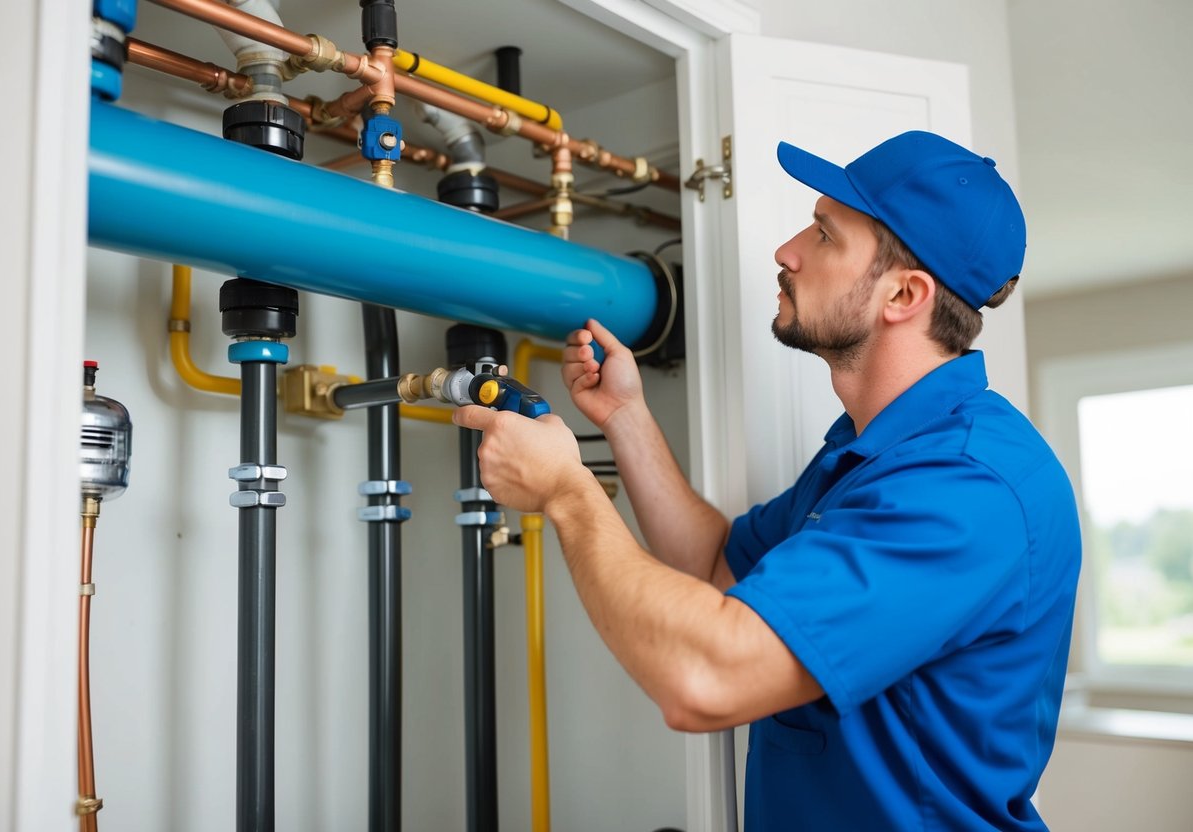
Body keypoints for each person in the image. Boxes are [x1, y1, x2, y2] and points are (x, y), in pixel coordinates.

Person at [452, 131, 1081, 831]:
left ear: (903, 294)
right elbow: (714, 565)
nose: (787, 251)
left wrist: (566, 495)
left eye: (823, 234)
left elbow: (704, 681)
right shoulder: (869, 454)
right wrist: (626, 417)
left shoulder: (964, 487)